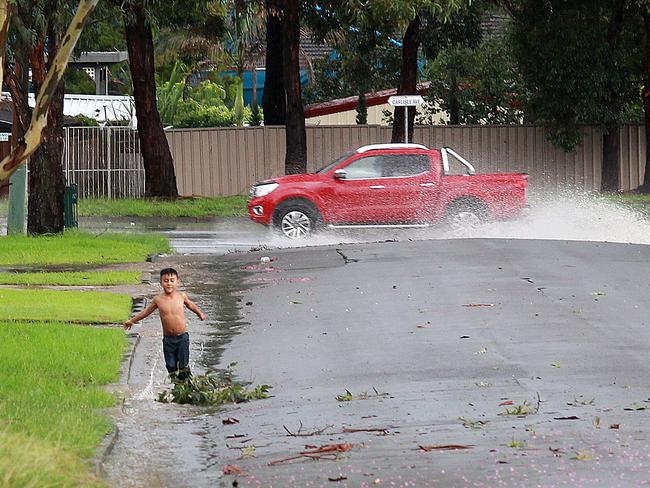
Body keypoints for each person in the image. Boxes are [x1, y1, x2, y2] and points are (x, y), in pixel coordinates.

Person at [124, 267, 206, 381]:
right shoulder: (158, 300)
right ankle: (177, 386)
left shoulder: (181, 296)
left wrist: (200, 313)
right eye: (166, 281)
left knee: (183, 365)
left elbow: (191, 305)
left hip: (182, 337)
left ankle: (189, 386)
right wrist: (132, 321)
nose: (169, 283)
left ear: (177, 282)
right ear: (161, 283)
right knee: (170, 365)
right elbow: (145, 312)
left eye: (172, 280)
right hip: (168, 339)